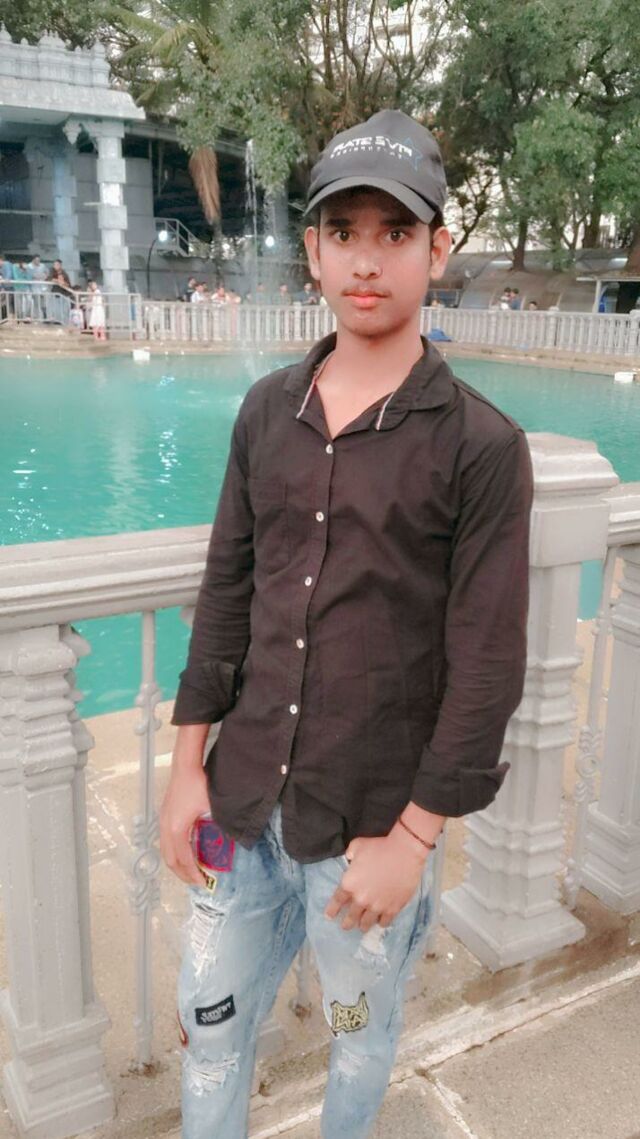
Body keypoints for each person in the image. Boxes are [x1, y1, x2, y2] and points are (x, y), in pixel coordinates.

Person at [161, 108, 533, 1139]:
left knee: (357, 1027)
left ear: (435, 249)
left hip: (368, 832)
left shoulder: (480, 447)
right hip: (237, 807)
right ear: (314, 250)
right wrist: (187, 770)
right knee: (207, 1018)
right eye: (344, 232)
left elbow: (486, 662)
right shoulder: (265, 412)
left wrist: (412, 839)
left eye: (395, 232)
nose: (367, 260)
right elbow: (226, 592)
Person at [29, 254, 49, 320]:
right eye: (37, 260)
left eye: (39, 260)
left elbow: (47, 273)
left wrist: (44, 276)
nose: (38, 261)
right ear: (33, 260)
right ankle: (37, 317)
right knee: (36, 303)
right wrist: (38, 276)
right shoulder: (30, 266)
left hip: (43, 287)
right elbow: (31, 276)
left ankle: (45, 315)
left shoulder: (42, 265)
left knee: (44, 302)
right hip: (34, 287)